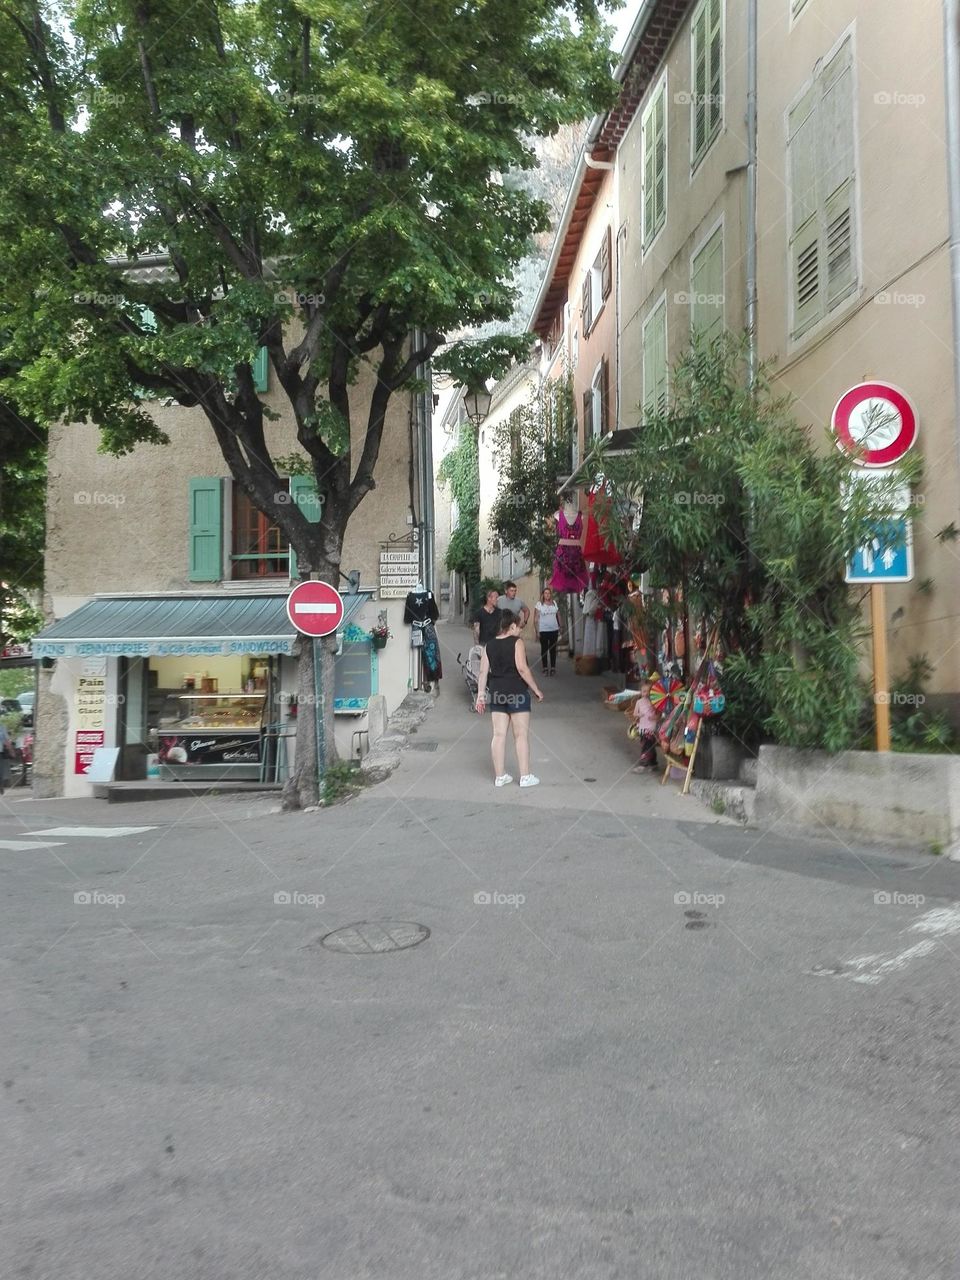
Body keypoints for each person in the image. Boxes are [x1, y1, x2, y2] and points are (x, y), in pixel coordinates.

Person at [476, 609, 543, 788]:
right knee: (520, 735)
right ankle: (525, 776)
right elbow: (522, 668)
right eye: (519, 626)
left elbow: (483, 672)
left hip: (497, 692)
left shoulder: (488, 645)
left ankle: (500, 776)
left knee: (498, 735)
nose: (520, 630)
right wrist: (536, 689)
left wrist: (480, 696)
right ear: (511, 626)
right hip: (517, 692)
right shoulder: (517, 642)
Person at [534, 587, 561, 675]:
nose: (547, 595)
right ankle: (545, 668)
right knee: (544, 649)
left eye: (549, 593)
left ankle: (553, 667)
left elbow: (558, 615)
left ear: (550, 594)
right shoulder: (539, 604)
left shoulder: (554, 603)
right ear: (543, 594)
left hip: (554, 629)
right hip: (543, 630)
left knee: (553, 649)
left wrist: (560, 626)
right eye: (545, 593)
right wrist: (537, 631)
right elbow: (536, 619)